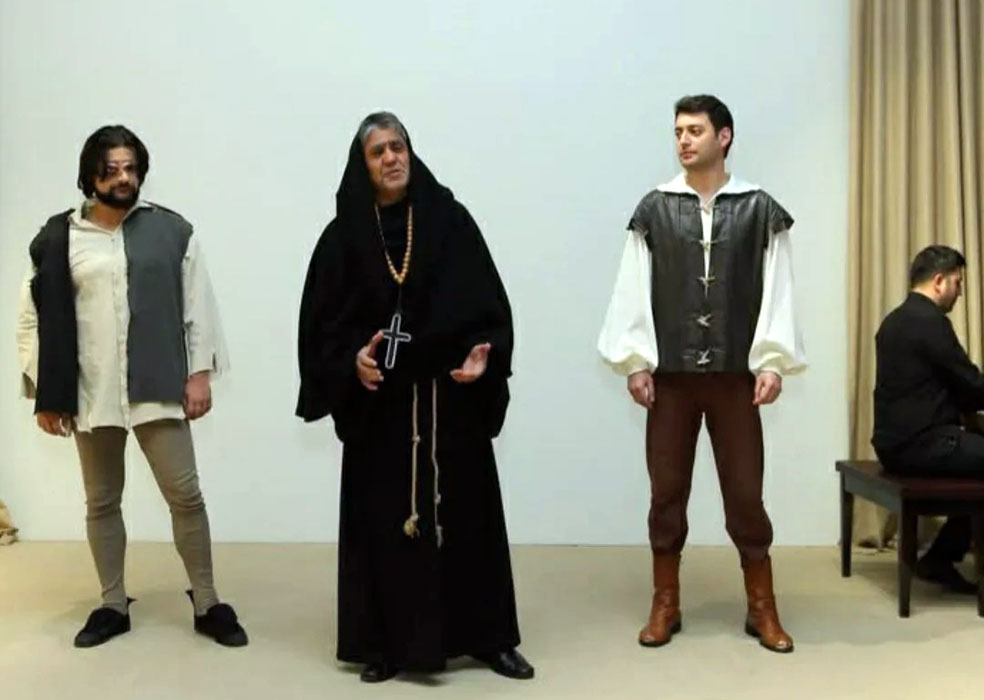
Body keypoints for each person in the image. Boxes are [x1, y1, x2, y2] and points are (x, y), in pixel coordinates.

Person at [296, 112, 533, 683]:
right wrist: (350, 361)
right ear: (363, 165)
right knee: (383, 525)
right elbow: (319, 328)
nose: (391, 158)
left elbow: (490, 307)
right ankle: (384, 644)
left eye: (398, 146)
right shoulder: (343, 238)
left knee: (468, 518)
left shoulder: (449, 221)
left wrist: (485, 354)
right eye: (378, 151)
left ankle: (489, 638)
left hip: (450, 400)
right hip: (381, 410)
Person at [16, 125, 246, 648]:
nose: (123, 178)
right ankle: (112, 604)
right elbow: (31, 318)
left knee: (185, 495)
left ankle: (207, 600)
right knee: (101, 501)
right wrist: (46, 393)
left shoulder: (173, 231)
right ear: (90, 175)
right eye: (111, 169)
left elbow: (198, 305)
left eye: (130, 168)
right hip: (91, 391)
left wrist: (198, 374)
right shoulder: (57, 239)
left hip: (157, 384)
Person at [598, 95, 806, 653]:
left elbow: (779, 288)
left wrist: (771, 360)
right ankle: (665, 602)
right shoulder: (655, 208)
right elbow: (632, 286)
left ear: (724, 136)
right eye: (678, 132)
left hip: (736, 379)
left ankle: (762, 607)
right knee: (666, 491)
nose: (684, 140)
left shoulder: (760, 209)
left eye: (695, 130)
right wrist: (635, 361)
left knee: (744, 492)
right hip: (671, 380)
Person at [872, 245, 983, 594]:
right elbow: (970, 383)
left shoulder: (893, 321)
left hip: (894, 444)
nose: (960, 292)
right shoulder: (931, 323)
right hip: (924, 445)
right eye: (957, 282)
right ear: (938, 281)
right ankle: (942, 557)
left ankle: (940, 557)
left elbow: (948, 385)